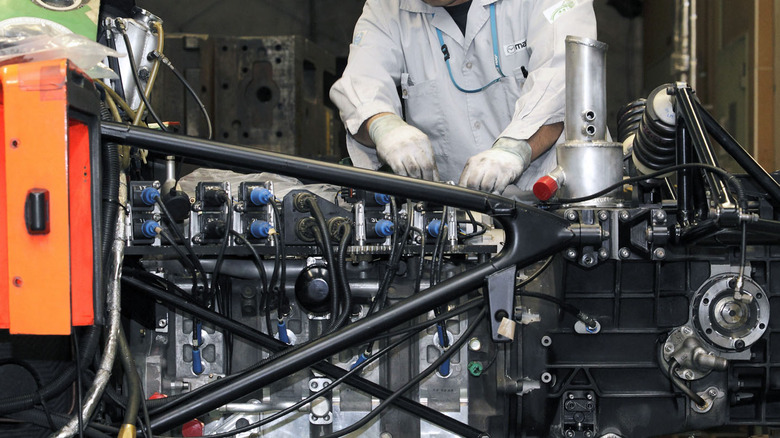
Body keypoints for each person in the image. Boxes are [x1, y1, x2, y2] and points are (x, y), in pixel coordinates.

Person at [330, 0, 597, 195]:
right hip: (458, 224)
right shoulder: (386, 8)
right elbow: (362, 83)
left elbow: (567, 78)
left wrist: (513, 150)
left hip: (560, 204)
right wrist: (384, 127)